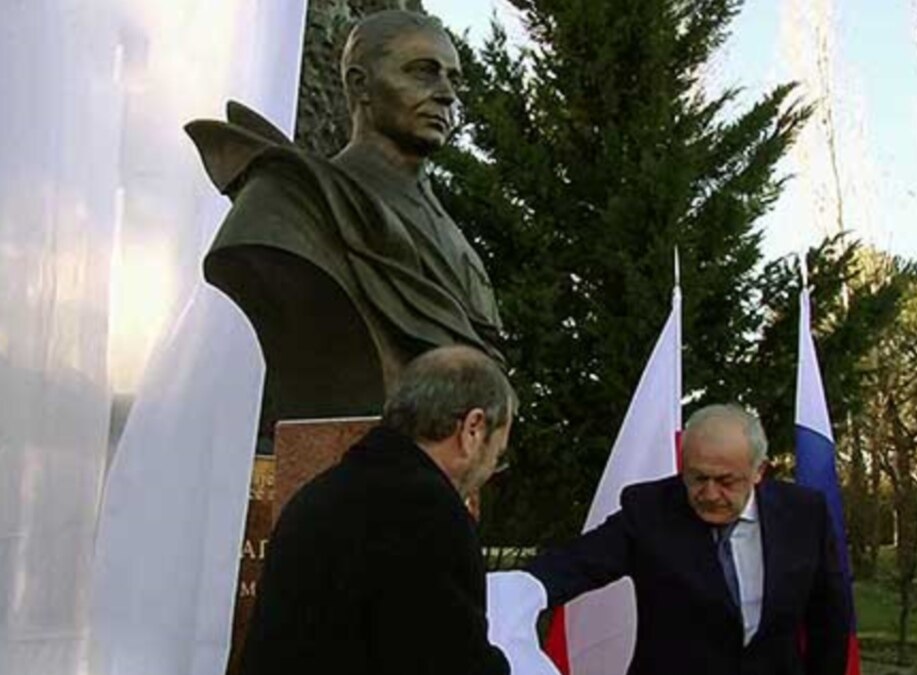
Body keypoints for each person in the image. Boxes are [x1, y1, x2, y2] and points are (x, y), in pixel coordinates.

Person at [186, 10, 503, 425]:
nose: (446, 94)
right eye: (424, 72)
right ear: (361, 85)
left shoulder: (455, 240)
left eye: (453, 79)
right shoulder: (291, 202)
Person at [240, 345, 515, 675]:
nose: (487, 473)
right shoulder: (430, 511)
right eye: (496, 457)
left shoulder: (319, 493)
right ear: (473, 428)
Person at [527, 404, 850, 674]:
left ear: (758, 471)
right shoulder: (650, 510)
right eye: (697, 478)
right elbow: (576, 564)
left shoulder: (804, 514)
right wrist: (506, 592)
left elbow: (829, 618)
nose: (709, 494)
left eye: (726, 481)